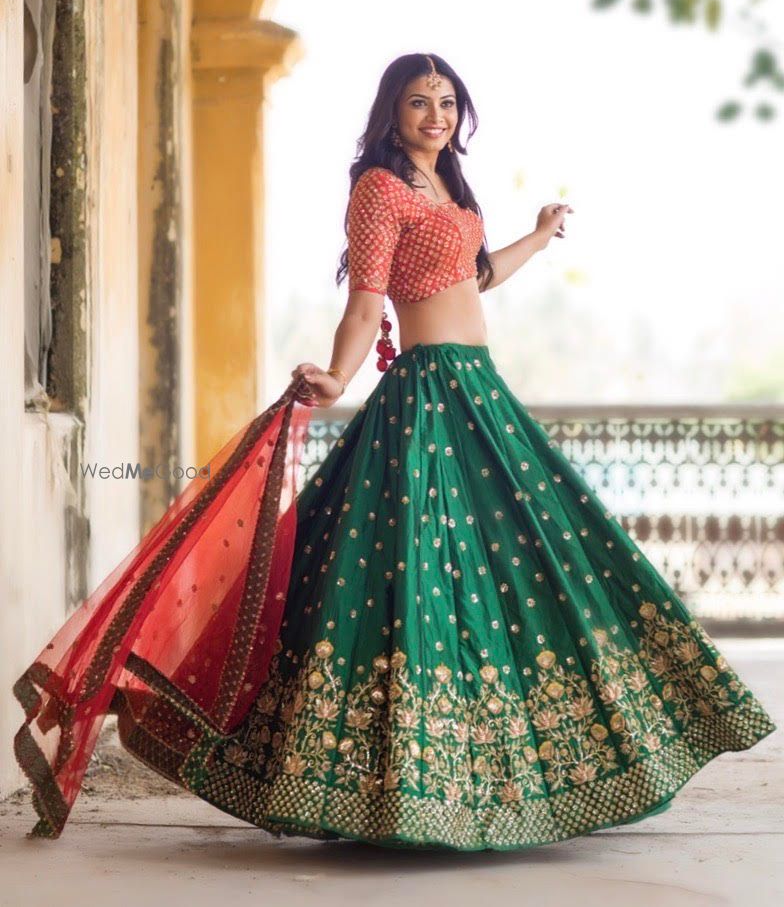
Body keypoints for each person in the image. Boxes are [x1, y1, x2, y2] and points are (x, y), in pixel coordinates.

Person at [13, 51, 775, 852]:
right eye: (419, 102)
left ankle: (498, 770)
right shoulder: (379, 190)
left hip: (481, 390)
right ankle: (395, 781)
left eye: (448, 102)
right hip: (425, 399)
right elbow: (366, 301)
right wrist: (339, 374)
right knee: (411, 577)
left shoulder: (449, 187)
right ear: (391, 113)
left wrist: (540, 238)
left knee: (532, 558)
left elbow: (472, 281)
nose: (436, 115)